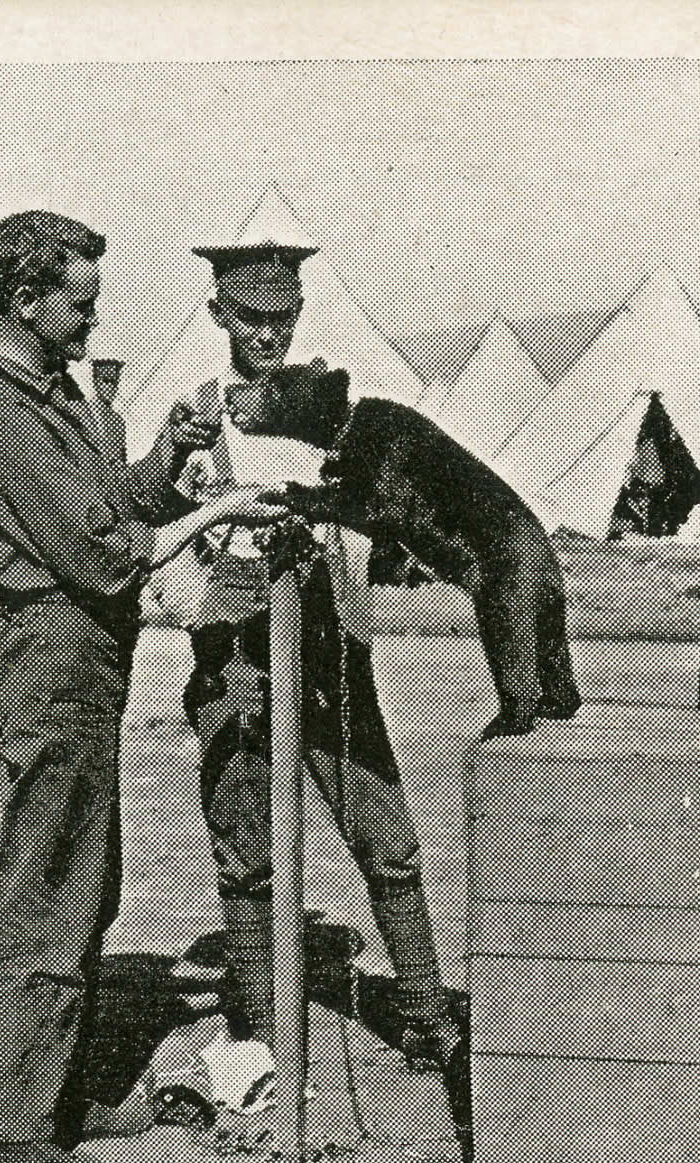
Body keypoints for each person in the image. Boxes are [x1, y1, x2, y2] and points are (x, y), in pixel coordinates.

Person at [0, 210, 275, 1163]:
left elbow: (116, 505)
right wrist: (220, 509)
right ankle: (13, 1131)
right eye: (79, 304)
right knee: (51, 886)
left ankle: (61, 1094)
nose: (92, 320)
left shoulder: (54, 400)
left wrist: (171, 455)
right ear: (24, 301)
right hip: (52, 651)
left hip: (84, 654)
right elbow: (99, 554)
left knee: (88, 879)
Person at [162, 233, 464, 1117]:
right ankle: (254, 1026)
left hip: (332, 653)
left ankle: (422, 1013)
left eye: (283, 318)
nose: (269, 334)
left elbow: (374, 522)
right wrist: (213, 613)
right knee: (248, 851)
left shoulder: (323, 404)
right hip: (235, 661)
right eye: (252, 318)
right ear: (219, 314)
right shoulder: (195, 419)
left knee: (388, 840)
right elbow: (160, 547)